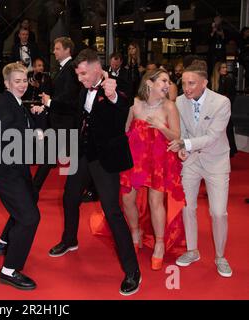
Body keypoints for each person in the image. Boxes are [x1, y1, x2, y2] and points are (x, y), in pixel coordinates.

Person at [50, 48, 141, 296]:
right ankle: (70, 240)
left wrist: (112, 96)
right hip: (82, 153)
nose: (80, 79)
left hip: (105, 158)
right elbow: (79, 118)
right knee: (69, 198)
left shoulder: (117, 83)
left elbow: (121, 104)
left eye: (82, 74)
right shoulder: (84, 89)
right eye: (78, 75)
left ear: (95, 67)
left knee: (112, 212)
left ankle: (133, 271)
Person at [168, 61, 233, 278]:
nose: (186, 88)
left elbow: (213, 137)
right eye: (184, 83)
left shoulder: (221, 102)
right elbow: (183, 131)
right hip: (192, 162)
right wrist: (182, 150)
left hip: (216, 162)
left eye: (192, 83)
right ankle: (192, 250)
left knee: (218, 212)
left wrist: (185, 144)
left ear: (204, 82)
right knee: (188, 207)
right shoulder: (179, 101)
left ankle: (220, 256)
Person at [120, 69, 185, 271]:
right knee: (127, 199)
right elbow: (125, 131)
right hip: (135, 160)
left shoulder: (170, 107)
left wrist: (160, 126)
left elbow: (176, 137)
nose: (168, 84)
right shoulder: (136, 105)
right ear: (149, 83)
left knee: (155, 201)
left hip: (158, 161)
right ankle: (135, 232)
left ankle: (159, 243)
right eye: (163, 80)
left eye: (169, 81)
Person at [0, 62, 40, 290]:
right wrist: (31, 135)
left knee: (30, 201)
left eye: (24, 80)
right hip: (5, 171)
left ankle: (5, 240)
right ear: (7, 84)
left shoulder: (17, 104)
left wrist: (36, 119)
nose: (22, 85)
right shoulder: (2, 105)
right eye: (16, 81)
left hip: (18, 168)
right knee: (29, 217)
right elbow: (4, 136)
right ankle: (9, 270)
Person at [32, 37, 81, 201]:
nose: (54, 51)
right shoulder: (63, 68)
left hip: (65, 122)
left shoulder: (71, 69)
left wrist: (50, 102)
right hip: (60, 120)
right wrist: (46, 103)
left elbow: (70, 98)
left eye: (57, 48)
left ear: (67, 50)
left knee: (50, 157)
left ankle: (33, 190)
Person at [210, 61, 238, 157]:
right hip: (214, 110)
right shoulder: (212, 80)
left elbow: (230, 96)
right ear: (218, 69)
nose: (225, 69)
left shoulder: (228, 79)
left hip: (224, 109)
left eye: (225, 67)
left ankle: (230, 151)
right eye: (223, 67)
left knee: (227, 130)